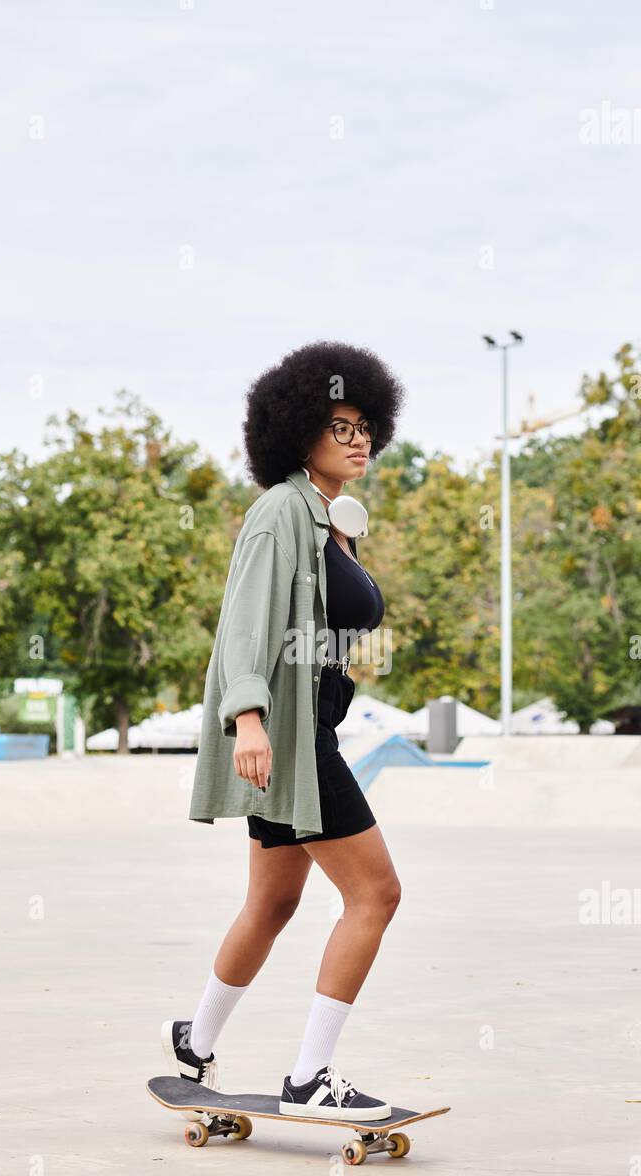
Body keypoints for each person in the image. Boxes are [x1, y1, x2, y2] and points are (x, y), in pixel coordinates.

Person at [163, 340, 406, 1121]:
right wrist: (248, 720)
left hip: (310, 735)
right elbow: (242, 625)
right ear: (297, 431)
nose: (359, 438)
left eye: (366, 425)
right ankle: (310, 1078)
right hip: (292, 743)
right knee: (377, 892)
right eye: (340, 426)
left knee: (271, 905)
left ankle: (195, 1042)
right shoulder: (279, 511)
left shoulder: (334, 521)